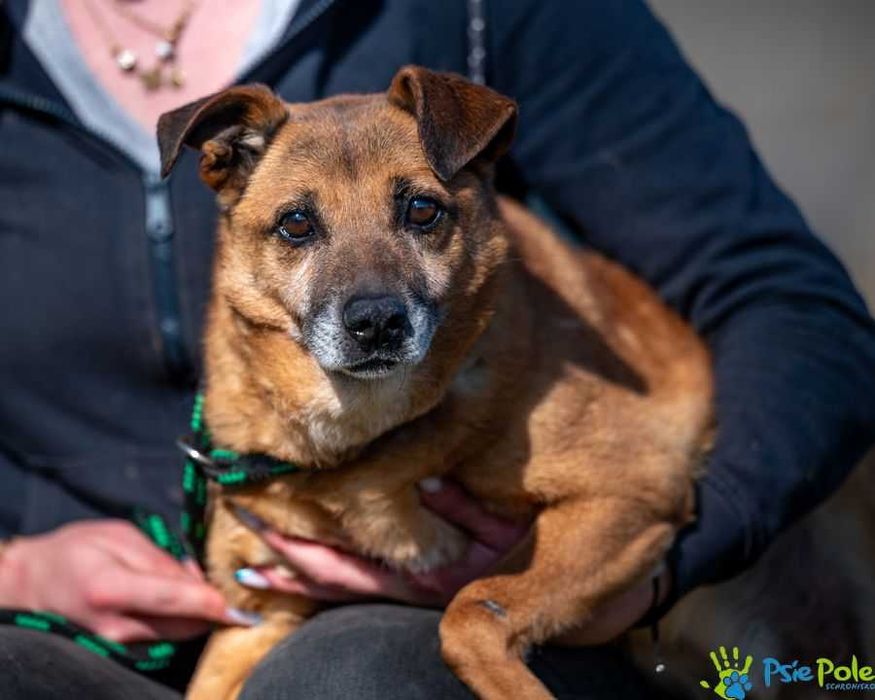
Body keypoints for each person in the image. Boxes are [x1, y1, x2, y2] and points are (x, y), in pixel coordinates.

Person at [0, 0, 873, 697]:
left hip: (506, 629)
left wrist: (648, 574)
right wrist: (15, 569)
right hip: (84, 623)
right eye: (300, 228)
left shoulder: (485, 15)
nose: (369, 297)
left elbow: (789, 305)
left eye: (418, 214)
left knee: (352, 678)